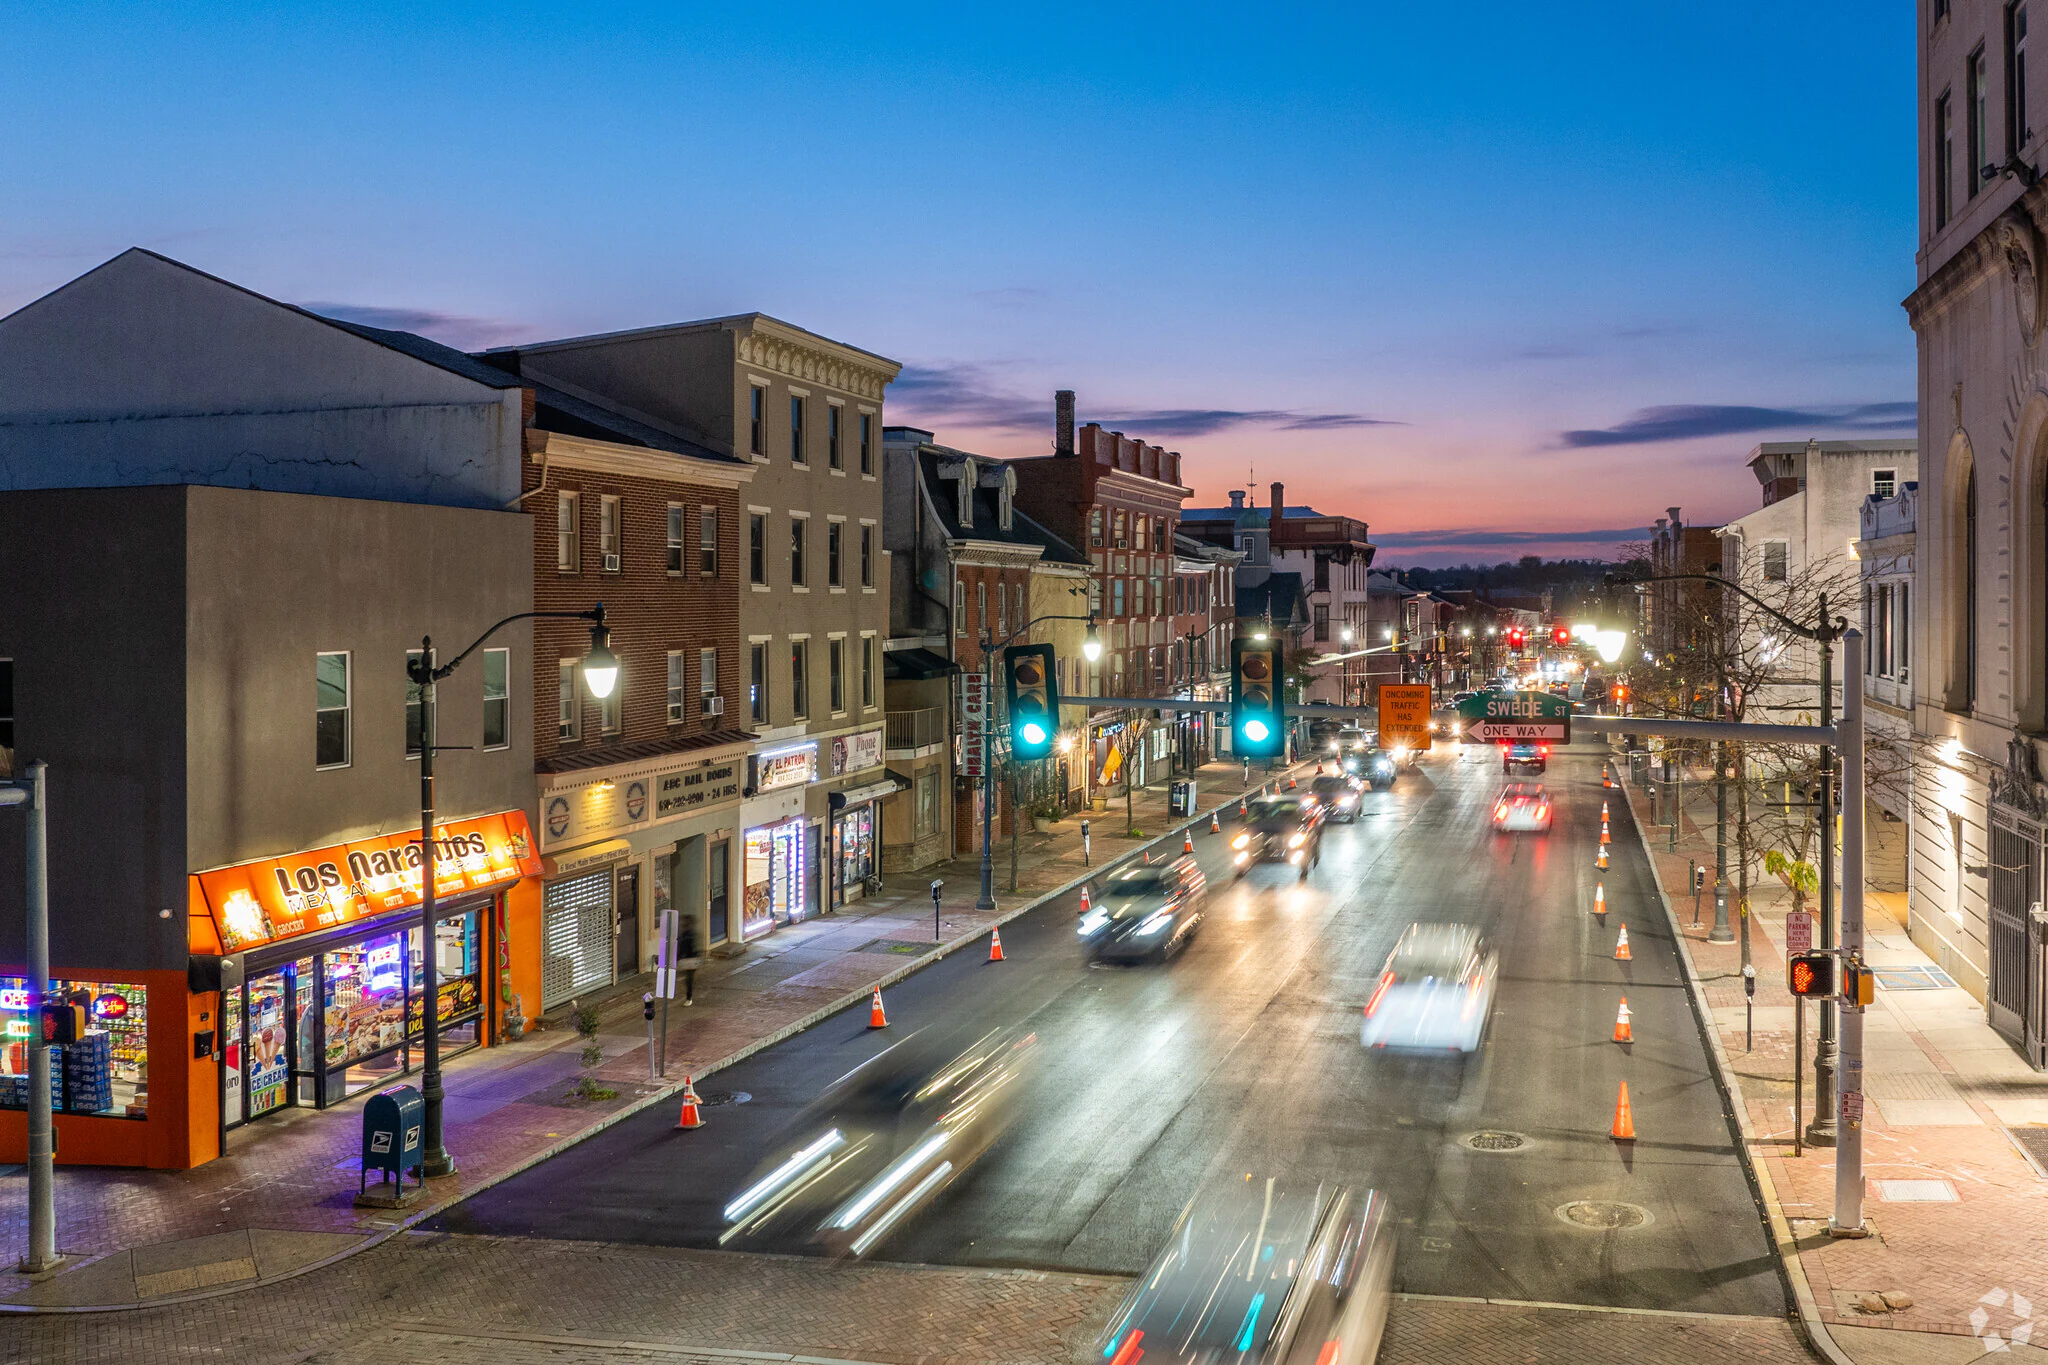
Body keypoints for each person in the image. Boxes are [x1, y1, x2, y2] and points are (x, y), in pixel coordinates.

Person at [677, 911, 704, 1005]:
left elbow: (691, 947)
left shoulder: (689, 935)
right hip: (688, 959)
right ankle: (689, 996)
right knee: (688, 978)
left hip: (690, 959)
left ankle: (689, 997)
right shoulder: (686, 934)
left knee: (689, 979)